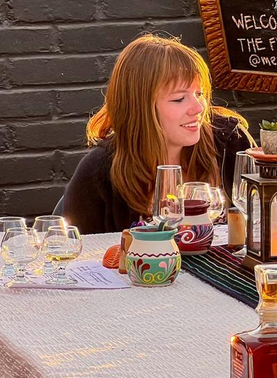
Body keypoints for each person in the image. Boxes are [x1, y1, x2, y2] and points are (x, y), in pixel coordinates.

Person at [63, 34, 253, 234]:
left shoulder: (231, 141)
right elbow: (79, 247)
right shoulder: (99, 171)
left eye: (199, 94)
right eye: (179, 99)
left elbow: (265, 226)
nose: (198, 108)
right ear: (140, 108)